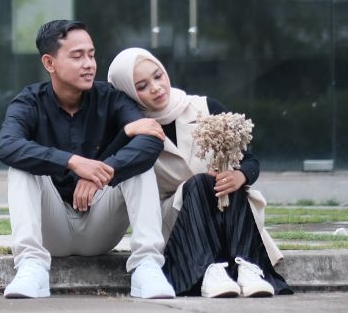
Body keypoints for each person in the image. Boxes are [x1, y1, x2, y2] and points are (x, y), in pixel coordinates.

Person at [0, 19, 175, 300]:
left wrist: (103, 172)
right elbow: (7, 146)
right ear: (49, 62)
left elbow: (151, 140)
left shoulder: (111, 99)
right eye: (77, 56)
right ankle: (31, 266)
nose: (89, 64)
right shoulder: (29, 102)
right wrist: (72, 162)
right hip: (51, 229)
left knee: (139, 169)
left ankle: (147, 266)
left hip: (100, 225)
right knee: (20, 169)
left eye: (91, 55)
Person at [106, 48, 291, 298]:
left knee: (223, 182)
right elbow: (108, 164)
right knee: (199, 183)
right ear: (128, 91)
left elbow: (249, 159)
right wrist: (127, 132)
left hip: (225, 210)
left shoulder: (204, 107)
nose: (156, 88)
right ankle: (206, 271)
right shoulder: (133, 125)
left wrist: (240, 176)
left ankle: (247, 268)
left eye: (158, 76)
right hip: (176, 218)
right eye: (142, 86)